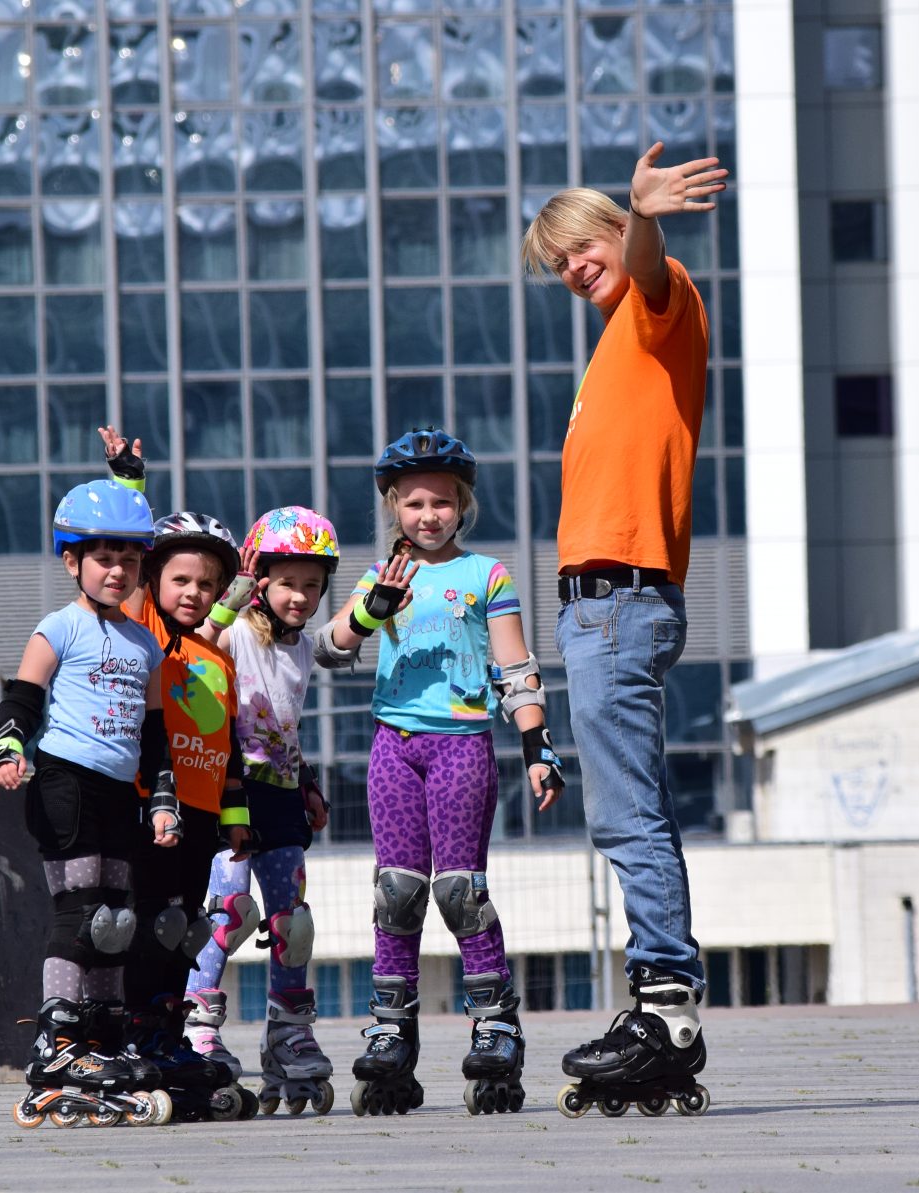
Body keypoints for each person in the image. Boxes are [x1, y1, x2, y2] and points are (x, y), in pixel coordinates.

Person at [518, 141, 726, 1116]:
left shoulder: (654, 306)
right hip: (603, 607)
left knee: (627, 812)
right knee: (628, 808)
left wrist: (641, 215)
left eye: (580, 246)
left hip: (619, 601)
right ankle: (659, 1001)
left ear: (613, 228)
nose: (572, 267)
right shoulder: (614, 349)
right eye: (557, 262)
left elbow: (649, 267)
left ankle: (666, 1006)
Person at [322, 428, 567, 1117]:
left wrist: (538, 746)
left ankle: (495, 1027)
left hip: (462, 745)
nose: (428, 515)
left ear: (463, 506)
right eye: (414, 503)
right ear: (394, 508)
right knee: (396, 892)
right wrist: (369, 610)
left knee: (461, 890)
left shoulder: (487, 574)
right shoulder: (383, 575)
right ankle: (391, 1033)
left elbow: (515, 667)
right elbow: (329, 647)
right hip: (394, 746)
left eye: (441, 502)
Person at [0, 478, 179, 1128]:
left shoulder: (144, 643)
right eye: (103, 558)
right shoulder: (59, 627)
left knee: (116, 919)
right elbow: (22, 699)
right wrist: (8, 748)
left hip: (117, 791)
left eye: (128, 559)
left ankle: (103, 1035)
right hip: (64, 782)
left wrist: (163, 799)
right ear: (72, 561)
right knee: (79, 912)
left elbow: (155, 733)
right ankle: (59, 1042)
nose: (117, 570)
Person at [91, 427, 255, 1121]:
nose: (194, 592)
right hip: (150, 810)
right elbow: (126, 579)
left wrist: (236, 823)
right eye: (181, 580)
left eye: (207, 583)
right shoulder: (146, 634)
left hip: (203, 818)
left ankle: (166, 1035)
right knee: (143, 925)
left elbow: (231, 751)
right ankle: (124, 1037)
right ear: (155, 582)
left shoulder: (218, 658)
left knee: (185, 928)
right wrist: (128, 483)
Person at [181, 505, 350, 1116]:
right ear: (261, 581)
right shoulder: (235, 633)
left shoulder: (300, 650)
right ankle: (196, 1026)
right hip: (230, 791)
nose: (300, 597)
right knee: (229, 912)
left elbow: (283, 724)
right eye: (287, 583)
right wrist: (234, 595)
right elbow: (196, 646)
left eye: (312, 585)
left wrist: (307, 783)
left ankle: (288, 1034)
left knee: (291, 922)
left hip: (280, 794)